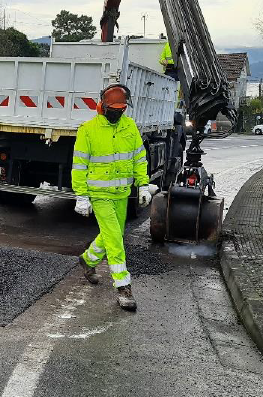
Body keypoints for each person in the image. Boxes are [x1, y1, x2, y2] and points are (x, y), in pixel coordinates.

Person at [72, 84, 157, 311]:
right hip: (99, 194)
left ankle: (88, 260)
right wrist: (81, 195)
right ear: (102, 106)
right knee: (116, 241)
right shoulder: (88, 130)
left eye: (121, 109)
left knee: (113, 234)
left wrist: (143, 186)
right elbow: (79, 166)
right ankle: (123, 287)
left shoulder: (129, 127)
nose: (117, 113)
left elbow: (139, 158)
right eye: (114, 109)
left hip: (122, 193)